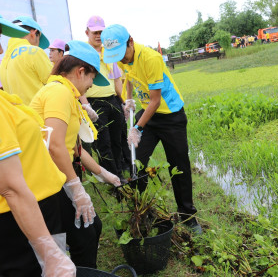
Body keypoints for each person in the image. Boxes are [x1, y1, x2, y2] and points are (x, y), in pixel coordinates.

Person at [101, 24, 202, 234]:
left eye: (122, 54)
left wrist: (137, 127)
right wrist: (128, 99)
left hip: (170, 116)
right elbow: (128, 78)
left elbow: (155, 101)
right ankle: (141, 210)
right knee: (135, 160)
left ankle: (188, 215)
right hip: (148, 114)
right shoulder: (124, 58)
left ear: (131, 41)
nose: (121, 59)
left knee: (179, 165)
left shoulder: (150, 58)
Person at [30, 40, 119, 268]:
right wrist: (76, 188)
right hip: (44, 182)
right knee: (83, 235)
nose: (91, 85)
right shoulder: (58, 92)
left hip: (54, 175)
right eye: (91, 78)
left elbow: (73, 147)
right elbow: (55, 146)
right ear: (80, 72)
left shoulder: (66, 93)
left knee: (90, 228)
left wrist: (103, 174)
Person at [0, 15, 75, 277]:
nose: (0, 48)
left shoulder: (7, 67)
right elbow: (10, 187)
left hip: (32, 201)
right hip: (20, 215)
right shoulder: (50, 81)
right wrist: (49, 251)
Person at [79, 16, 130, 180]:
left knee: (117, 140)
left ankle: (119, 174)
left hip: (112, 101)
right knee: (103, 144)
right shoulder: (83, 53)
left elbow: (117, 79)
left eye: (101, 32)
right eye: (95, 32)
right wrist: (86, 105)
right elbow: (78, 82)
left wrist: (123, 102)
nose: (98, 35)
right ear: (87, 32)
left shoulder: (109, 52)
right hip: (95, 103)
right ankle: (112, 180)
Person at [0, 16, 52, 104]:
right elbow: (55, 84)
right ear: (34, 33)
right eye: (39, 39)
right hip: (42, 115)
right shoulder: (34, 51)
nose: (38, 44)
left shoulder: (4, 61)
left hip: (19, 115)